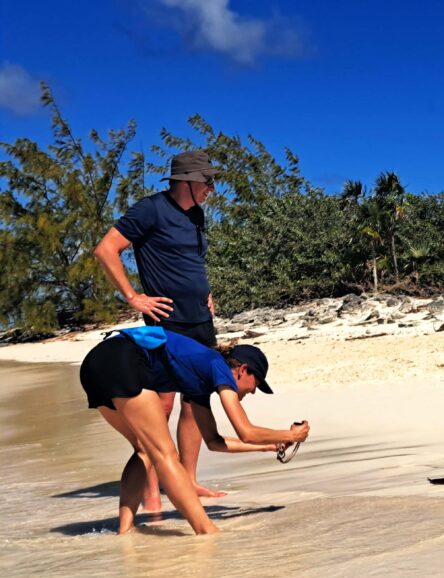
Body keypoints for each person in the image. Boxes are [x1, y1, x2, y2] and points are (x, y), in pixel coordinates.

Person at [79, 328, 310, 535]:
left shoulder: (198, 381)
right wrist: (292, 435)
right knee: (165, 454)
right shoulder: (218, 366)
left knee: (144, 449)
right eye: (256, 384)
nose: (253, 392)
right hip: (123, 359)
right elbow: (246, 431)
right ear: (242, 369)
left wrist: (270, 446)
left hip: (94, 365)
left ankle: (125, 530)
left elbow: (213, 441)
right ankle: (206, 531)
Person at [93, 150, 223, 511]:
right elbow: (105, 249)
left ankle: (188, 480)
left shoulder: (197, 214)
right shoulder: (150, 209)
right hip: (167, 321)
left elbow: (191, 261)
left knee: (196, 401)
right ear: (187, 181)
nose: (212, 188)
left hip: (200, 318)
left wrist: (205, 291)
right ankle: (152, 492)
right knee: (161, 405)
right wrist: (134, 297)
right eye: (207, 181)